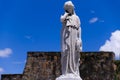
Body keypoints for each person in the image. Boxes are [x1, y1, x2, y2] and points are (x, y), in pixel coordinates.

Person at [60, 1, 82, 76]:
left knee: (74, 52)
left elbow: (79, 28)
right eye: (67, 8)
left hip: (74, 34)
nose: (69, 9)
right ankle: (65, 72)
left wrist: (79, 38)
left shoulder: (76, 17)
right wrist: (65, 15)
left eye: (70, 8)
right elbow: (61, 20)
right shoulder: (64, 17)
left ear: (72, 8)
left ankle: (73, 71)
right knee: (65, 51)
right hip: (65, 35)